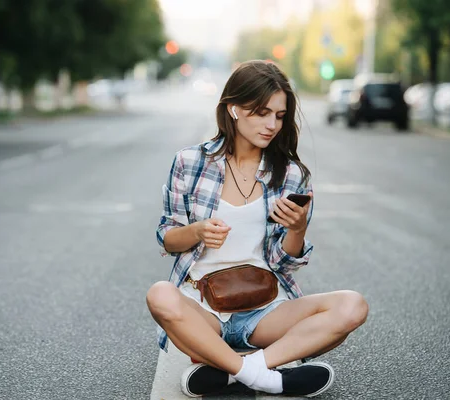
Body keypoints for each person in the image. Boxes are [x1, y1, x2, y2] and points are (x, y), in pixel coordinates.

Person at [146, 60, 368, 397]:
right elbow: (168, 236)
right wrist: (198, 231)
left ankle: (236, 373)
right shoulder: (190, 163)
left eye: (279, 116)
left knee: (353, 306)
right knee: (159, 295)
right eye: (262, 113)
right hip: (201, 308)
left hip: (266, 311)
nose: (272, 125)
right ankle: (267, 376)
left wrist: (297, 229)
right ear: (234, 109)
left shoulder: (291, 174)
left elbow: (285, 263)